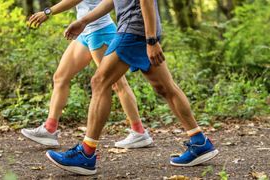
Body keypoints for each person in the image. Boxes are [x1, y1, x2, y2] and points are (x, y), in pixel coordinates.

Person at [45, 0, 219, 175]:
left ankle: (86, 153)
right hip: (140, 29)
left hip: (133, 29)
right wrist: (85, 21)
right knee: (165, 88)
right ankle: (199, 142)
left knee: (99, 82)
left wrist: (151, 40)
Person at [21, 0, 153, 149]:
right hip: (85, 31)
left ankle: (139, 132)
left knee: (117, 83)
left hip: (100, 30)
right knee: (60, 77)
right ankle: (49, 129)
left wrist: (48, 12)